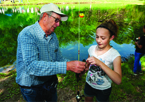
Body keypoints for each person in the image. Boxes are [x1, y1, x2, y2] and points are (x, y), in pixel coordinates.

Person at [16, 3, 86, 102]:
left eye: (59, 22)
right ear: (45, 16)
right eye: (56, 20)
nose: (58, 24)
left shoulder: (53, 36)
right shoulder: (28, 34)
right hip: (31, 87)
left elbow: (59, 59)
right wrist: (67, 66)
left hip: (50, 83)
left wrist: (75, 66)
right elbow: (32, 66)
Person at [83, 19, 122, 102]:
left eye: (103, 38)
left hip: (103, 89)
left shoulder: (115, 55)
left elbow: (118, 80)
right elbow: (88, 66)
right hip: (89, 84)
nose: (98, 40)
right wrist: (83, 69)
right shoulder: (91, 49)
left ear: (111, 37)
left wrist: (100, 63)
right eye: (97, 37)